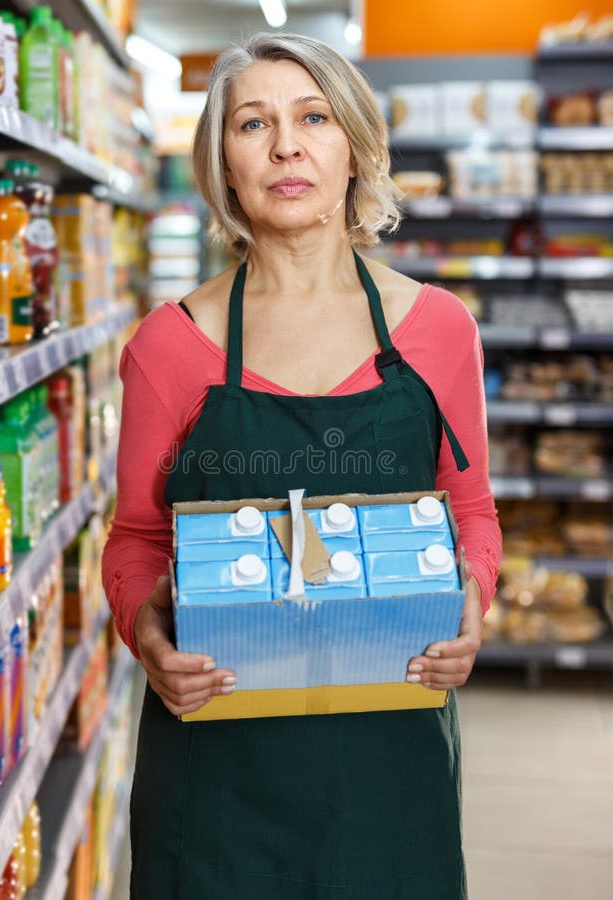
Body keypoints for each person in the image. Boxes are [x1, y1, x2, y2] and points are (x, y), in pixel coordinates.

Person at [102, 32, 502, 900]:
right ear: (225, 167)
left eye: (312, 117)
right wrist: (147, 636)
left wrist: (471, 597)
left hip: (389, 749)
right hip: (216, 754)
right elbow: (134, 538)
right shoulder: (170, 346)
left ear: (353, 148)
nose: (286, 145)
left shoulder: (436, 329)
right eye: (253, 123)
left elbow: (470, 510)